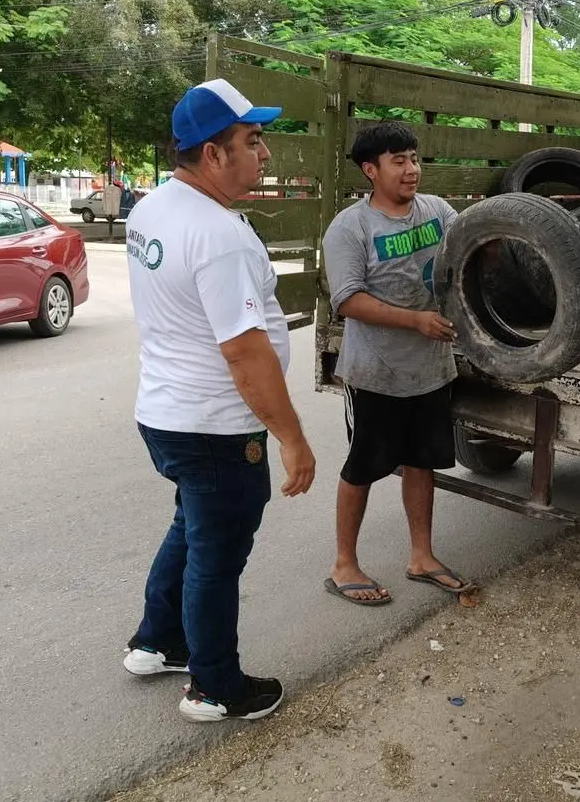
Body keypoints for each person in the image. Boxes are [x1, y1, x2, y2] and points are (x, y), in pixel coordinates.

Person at [122, 79, 317, 723]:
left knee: (192, 527)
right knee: (217, 553)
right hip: (216, 427)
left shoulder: (154, 208)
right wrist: (291, 436)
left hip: (166, 415)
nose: (265, 153)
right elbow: (246, 352)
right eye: (252, 141)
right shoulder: (219, 235)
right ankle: (213, 687)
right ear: (213, 153)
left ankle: (157, 641)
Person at [320, 121, 474, 606]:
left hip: (431, 367)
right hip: (377, 371)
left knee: (422, 461)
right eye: (398, 161)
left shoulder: (437, 211)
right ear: (371, 170)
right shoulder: (351, 227)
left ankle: (422, 556)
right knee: (363, 465)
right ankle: (344, 563)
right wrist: (415, 321)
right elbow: (347, 300)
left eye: (414, 158)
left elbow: (467, 256)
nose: (412, 170)